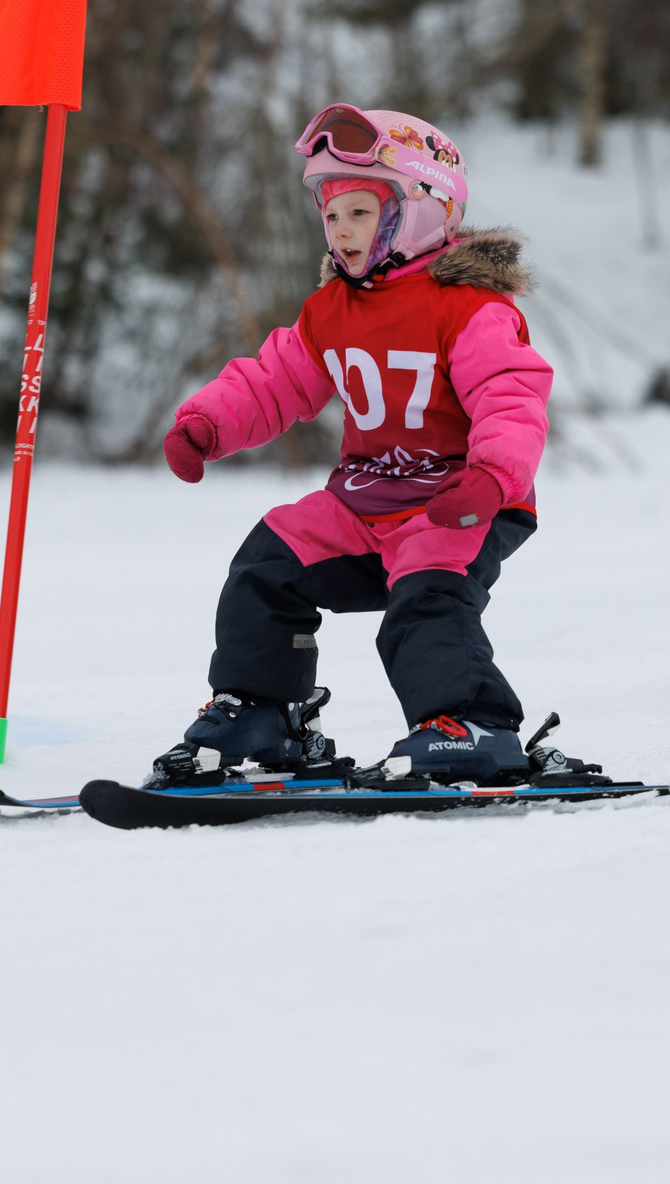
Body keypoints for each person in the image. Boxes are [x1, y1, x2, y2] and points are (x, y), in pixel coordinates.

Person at [153, 103, 579, 788]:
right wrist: (208, 423)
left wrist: (492, 475)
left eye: (359, 212)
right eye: (331, 215)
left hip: (460, 503)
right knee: (270, 559)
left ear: (421, 210)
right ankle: (266, 711)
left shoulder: (469, 307)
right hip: (364, 501)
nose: (340, 232)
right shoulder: (333, 310)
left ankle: (470, 723)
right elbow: (274, 381)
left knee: (426, 593)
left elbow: (509, 396)